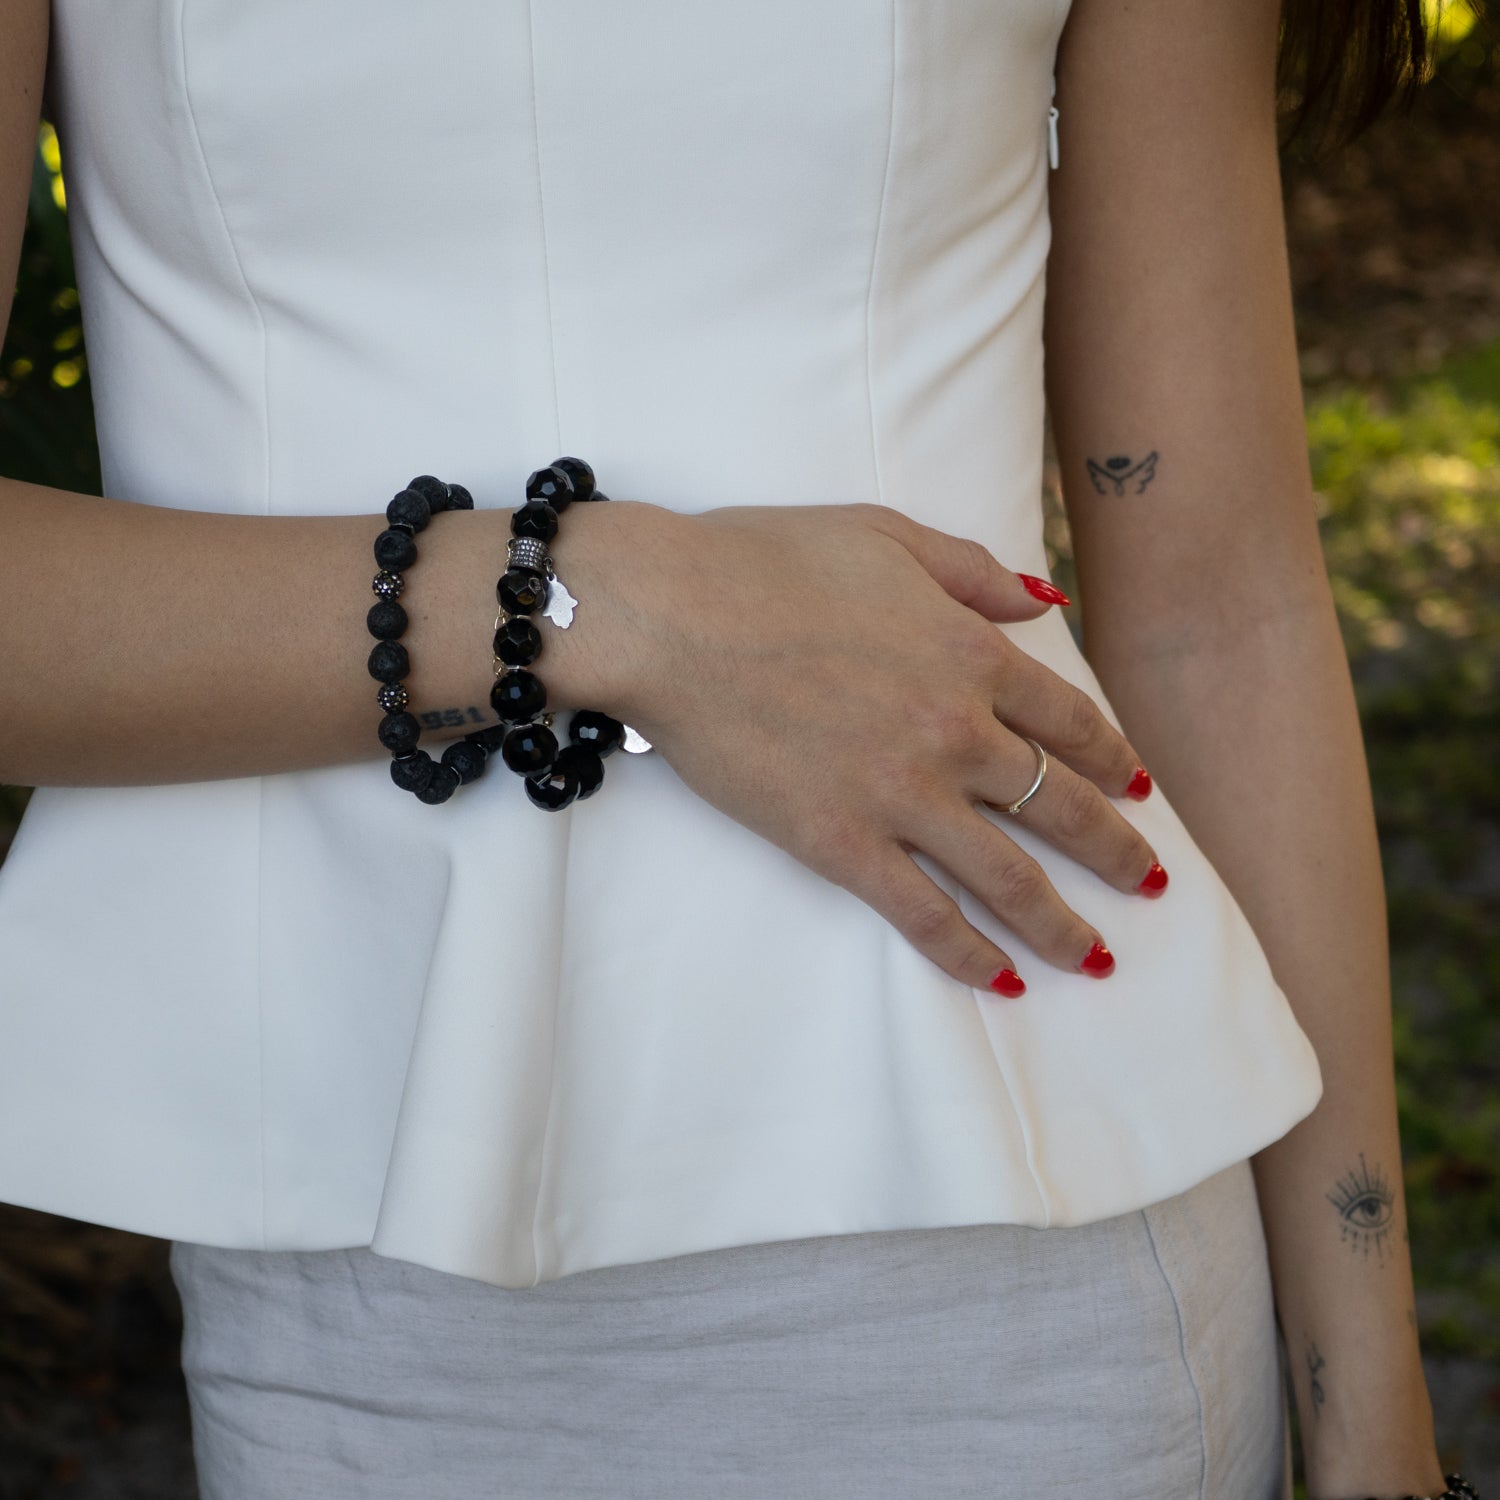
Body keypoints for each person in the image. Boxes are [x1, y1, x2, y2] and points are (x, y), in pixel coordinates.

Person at [0, 0, 1471, 1495]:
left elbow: (1218, 615)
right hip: (370, 1288)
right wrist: (608, 604)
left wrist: (1378, 1437)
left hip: (1041, 1257)